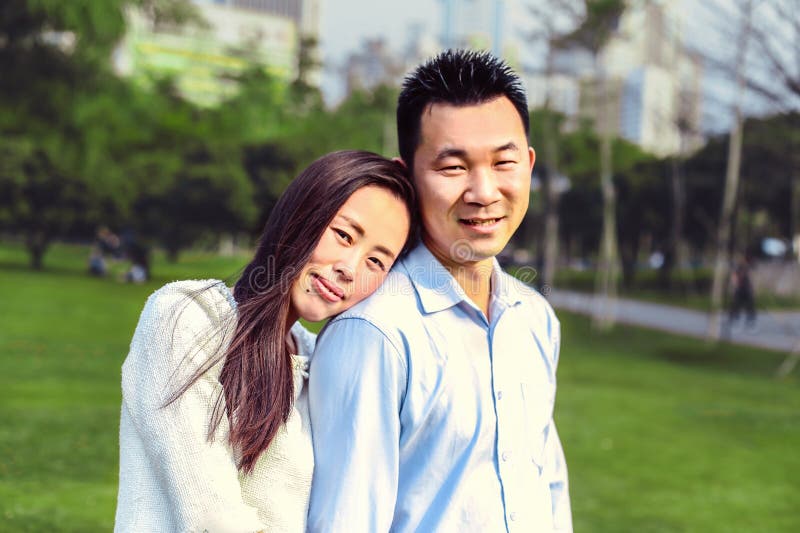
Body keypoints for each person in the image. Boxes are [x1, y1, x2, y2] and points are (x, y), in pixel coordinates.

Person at [308, 50, 572, 532]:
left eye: (504, 162)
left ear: (529, 165)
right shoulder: (374, 333)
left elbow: (549, 487)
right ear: (406, 174)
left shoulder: (534, 317)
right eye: (453, 168)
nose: (484, 192)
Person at [114, 151, 414, 532]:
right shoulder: (187, 317)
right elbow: (211, 518)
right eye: (343, 235)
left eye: (376, 261)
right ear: (302, 215)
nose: (349, 268)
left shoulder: (315, 360)